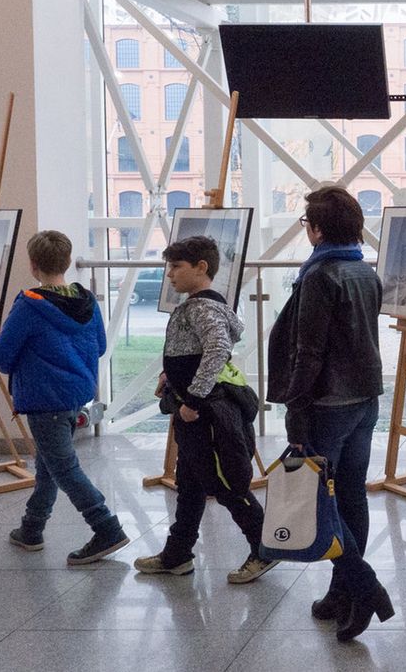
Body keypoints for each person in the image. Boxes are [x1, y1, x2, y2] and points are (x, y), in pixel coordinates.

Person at [267, 186, 394, 642]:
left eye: (306, 223)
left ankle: (364, 588)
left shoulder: (320, 277)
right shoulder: (363, 271)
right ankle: (342, 592)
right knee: (350, 495)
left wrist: (295, 414)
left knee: (323, 501)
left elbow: (309, 353)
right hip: (364, 398)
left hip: (328, 404)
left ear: (317, 229)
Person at [134, 235, 276, 584]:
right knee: (190, 484)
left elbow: (217, 349)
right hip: (195, 413)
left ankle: (264, 549)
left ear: (201, 267)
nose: (170, 275)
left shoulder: (201, 307)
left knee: (228, 486)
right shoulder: (204, 305)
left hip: (205, 416)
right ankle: (177, 554)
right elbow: (195, 352)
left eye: (177, 267)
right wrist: (170, 376)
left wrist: (194, 400)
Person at [0, 231, 128, 565]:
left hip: (44, 398)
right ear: (68, 262)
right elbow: (99, 347)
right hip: (74, 396)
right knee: (49, 466)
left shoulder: (29, 306)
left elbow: (2, 357)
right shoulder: (87, 300)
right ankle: (32, 528)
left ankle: (106, 526)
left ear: (33, 264)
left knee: (64, 468)